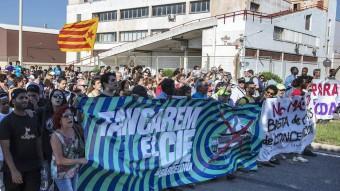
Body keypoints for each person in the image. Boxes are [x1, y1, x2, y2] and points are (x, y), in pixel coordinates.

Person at [0, 88, 42, 191]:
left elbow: (38, 141)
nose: (25, 100)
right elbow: (5, 149)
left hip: (33, 169)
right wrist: (13, 170)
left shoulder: (33, 117)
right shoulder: (6, 122)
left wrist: (41, 162)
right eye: (21, 98)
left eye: (26, 97)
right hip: (14, 170)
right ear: (13, 101)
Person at [50, 106, 86, 191]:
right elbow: (60, 160)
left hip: (74, 170)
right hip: (61, 173)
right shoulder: (55, 136)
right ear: (59, 120)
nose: (70, 117)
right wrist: (81, 160)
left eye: (71, 115)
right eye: (66, 116)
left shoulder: (76, 129)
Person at [0, 92, 10, 190]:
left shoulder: (14, 113)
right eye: (3, 103)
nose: (7, 105)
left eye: (7, 102)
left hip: (13, 155)